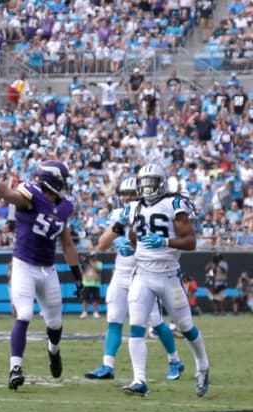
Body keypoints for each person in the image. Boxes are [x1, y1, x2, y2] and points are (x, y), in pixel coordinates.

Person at [0, 158, 81, 389]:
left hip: (48, 269)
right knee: (24, 314)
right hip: (24, 265)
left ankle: (54, 350)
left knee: (55, 323)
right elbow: (9, 195)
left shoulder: (63, 207)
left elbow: (67, 243)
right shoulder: (31, 197)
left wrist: (77, 275)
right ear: (53, 181)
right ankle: (15, 368)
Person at [121, 163, 211, 398]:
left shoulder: (174, 204)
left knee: (185, 327)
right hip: (142, 273)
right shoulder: (134, 208)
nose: (147, 187)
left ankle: (203, 367)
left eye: (151, 182)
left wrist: (165, 242)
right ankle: (139, 379)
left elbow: (191, 242)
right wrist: (129, 248)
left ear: (161, 183)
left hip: (169, 275)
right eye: (144, 183)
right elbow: (135, 239)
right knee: (137, 325)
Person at [85, 175, 183, 381]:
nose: (129, 197)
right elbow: (102, 244)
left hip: (144, 272)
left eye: (132, 193)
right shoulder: (120, 215)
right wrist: (118, 237)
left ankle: (175, 360)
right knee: (114, 319)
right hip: (121, 272)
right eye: (125, 194)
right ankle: (107, 365)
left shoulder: (150, 213)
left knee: (155, 322)